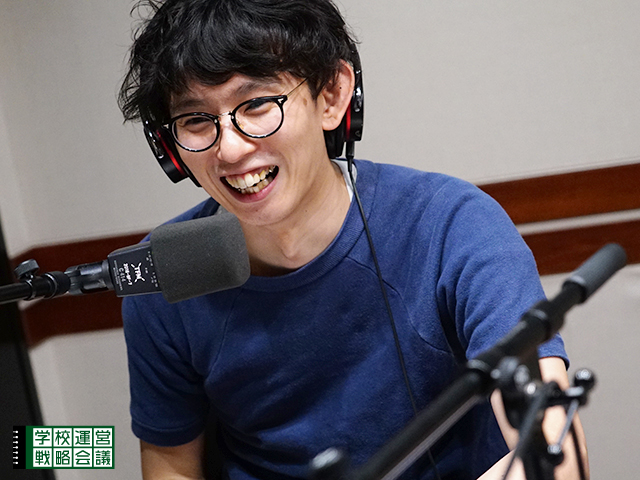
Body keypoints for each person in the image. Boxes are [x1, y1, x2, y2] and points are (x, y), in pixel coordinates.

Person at [117, 1, 587, 479]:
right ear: (168, 146)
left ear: (332, 94)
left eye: (257, 105)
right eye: (196, 120)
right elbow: (171, 463)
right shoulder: (165, 272)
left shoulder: (452, 224)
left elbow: (554, 450)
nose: (231, 149)